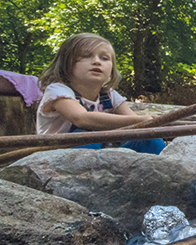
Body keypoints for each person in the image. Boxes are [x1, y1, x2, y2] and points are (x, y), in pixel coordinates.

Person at [36, 33, 165, 154]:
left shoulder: (109, 95)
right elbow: (80, 118)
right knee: (85, 135)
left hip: (102, 159)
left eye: (104, 58)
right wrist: (142, 119)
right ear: (66, 63)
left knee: (149, 138)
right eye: (86, 56)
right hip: (58, 160)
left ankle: (169, 168)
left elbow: (136, 126)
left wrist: (147, 123)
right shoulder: (58, 91)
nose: (97, 61)